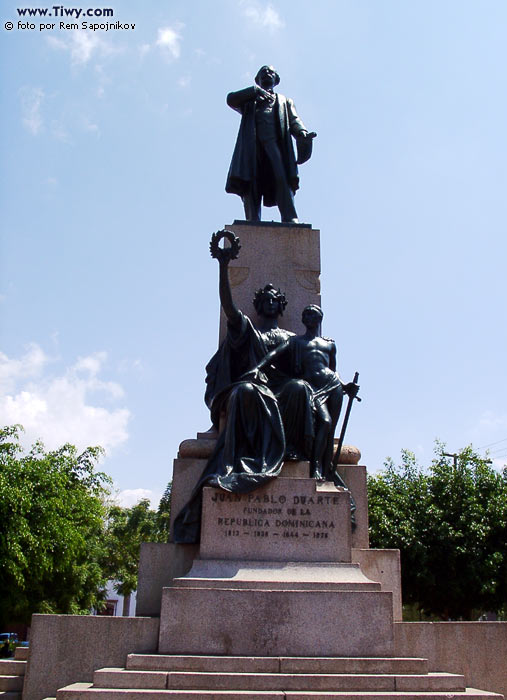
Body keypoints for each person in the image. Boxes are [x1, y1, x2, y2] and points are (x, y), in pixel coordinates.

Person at [172, 233, 314, 543]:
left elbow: (304, 373)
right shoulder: (247, 330)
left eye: (276, 298)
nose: (270, 301)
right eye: (265, 298)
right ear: (258, 305)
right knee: (246, 392)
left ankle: (300, 454)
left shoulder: (292, 339)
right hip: (255, 387)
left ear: (282, 305)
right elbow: (229, 307)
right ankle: (255, 456)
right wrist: (224, 267)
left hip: (283, 391)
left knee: (301, 389)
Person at [246, 304, 357, 489]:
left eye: (312, 314)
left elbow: (333, 370)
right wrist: (258, 368)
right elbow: (274, 355)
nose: (308, 317)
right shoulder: (295, 342)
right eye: (305, 314)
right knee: (325, 422)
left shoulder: (330, 344)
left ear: (319, 318)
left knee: (330, 431)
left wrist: (346, 386)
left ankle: (322, 468)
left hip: (332, 386)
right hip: (311, 389)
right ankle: (314, 469)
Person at [225, 65, 316, 223]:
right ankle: (252, 218)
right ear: (257, 80)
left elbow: (295, 121)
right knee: (251, 181)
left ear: (276, 79)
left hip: (275, 144)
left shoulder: (284, 101)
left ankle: (289, 216)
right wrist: (255, 91)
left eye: (270, 72)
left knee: (281, 177)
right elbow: (231, 99)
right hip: (252, 146)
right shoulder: (250, 100)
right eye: (263, 72)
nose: (267, 74)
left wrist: (302, 133)